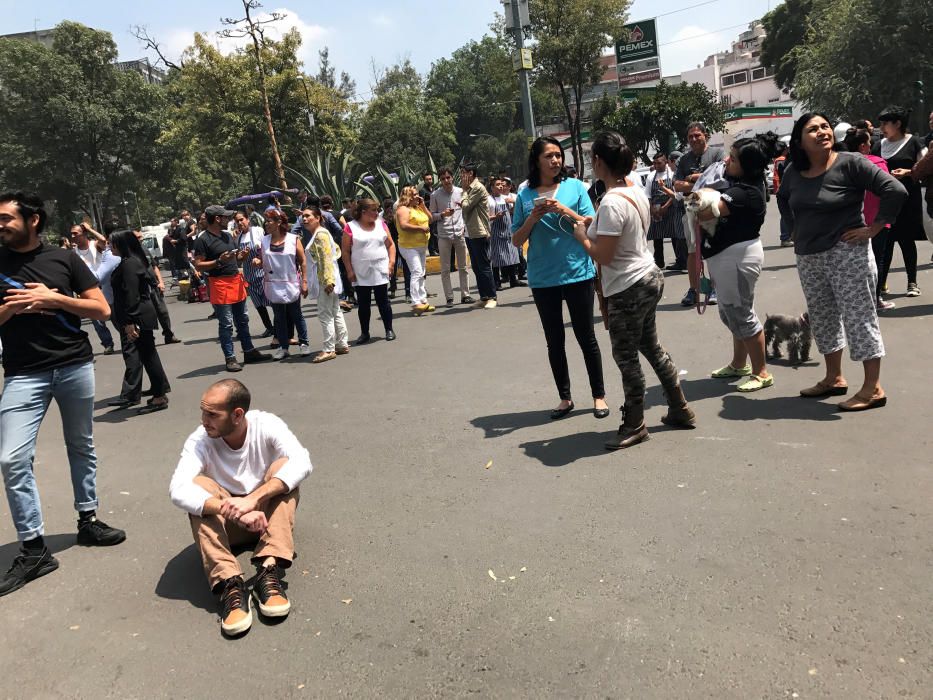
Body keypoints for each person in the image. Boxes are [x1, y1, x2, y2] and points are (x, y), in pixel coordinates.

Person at [0, 192, 126, 598]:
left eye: (5, 218)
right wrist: (15, 307)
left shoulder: (64, 259)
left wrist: (53, 299)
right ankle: (35, 549)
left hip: (74, 365)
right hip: (23, 374)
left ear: (32, 219)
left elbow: (101, 310)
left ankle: (87, 520)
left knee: (81, 446)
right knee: (12, 458)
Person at [571, 132, 694, 447]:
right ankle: (679, 407)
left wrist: (582, 238)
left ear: (598, 161)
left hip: (628, 285)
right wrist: (592, 223)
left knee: (626, 356)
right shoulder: (634, 190)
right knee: (651, 346)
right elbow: (620, 232)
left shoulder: (611, 200)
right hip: (648, 276)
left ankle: (635, 421)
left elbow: (604, 254)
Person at [777, 113, 907, 411]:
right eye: (813, 129)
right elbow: (784, 199)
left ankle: (872, 388)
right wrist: (793, 227)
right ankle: (833, 377)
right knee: (822, 317)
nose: (822, 132)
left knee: (858, 316)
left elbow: (894, 190)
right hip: (809, 255)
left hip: (846, 253)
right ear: (799, 141)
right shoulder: (794, 171)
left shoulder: (850, 162)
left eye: (824, 127)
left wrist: (874, 228)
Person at [169, 379, 311, 637]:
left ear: (237, 415)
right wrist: (228, 508)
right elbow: (177, 489)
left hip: (266, 519)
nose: (204, 419)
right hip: (229, 524)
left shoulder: (266, 424)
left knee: (285, 470)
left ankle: (269, 568)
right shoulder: (199, 440)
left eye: (212, 414)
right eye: (203, 411)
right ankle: (229, 584)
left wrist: (255, 498)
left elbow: (303, 461)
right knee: (197, 487)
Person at [511, 136, 609, 420]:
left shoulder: (575, 187)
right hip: (543, 279)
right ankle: (565, 398)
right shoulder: (525, 196)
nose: (555, 161)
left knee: (586, 336)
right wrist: (534, 217)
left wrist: (562, 210)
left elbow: (590, 223)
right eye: (549, 156)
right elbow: (517, 240)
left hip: (577, 272)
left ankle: (598, 396)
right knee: (554, 340)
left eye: (558, 155)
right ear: (536, 161)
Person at [700, 133, 779, 392]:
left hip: (738, 257)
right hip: (728, 257)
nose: (726, 161)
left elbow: (704, 210)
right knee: (731, 310)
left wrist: (699, 194)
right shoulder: (738, 184)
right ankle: (738, 363)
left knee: (740, 314)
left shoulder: (746, 192)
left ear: (748, 166)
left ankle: (761, 372)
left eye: (732, 159)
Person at [193, 205, 271, 372]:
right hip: (219, 283)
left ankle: (249, 351)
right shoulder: (202, 239)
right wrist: (218, 261)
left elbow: (234, 258)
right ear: (217, 219)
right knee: (227, 324)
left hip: (235, 280)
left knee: (242, 320)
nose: (229, 220)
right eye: (226, 217)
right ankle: (230, 357)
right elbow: (198, 265)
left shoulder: (227, 236)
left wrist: (239, 257)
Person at [107, 230, 171, 413]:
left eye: (113, 244)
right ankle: (159, 390)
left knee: (148, 355)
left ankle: (160, 397)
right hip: (140, 314)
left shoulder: (129, 264)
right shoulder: (132, 261)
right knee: (147, 354)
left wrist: (129, 321)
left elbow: (131, 295)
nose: (110, 247)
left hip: (139, 316)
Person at [872, 105, 927, 298]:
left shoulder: (915, 143)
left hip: (907, 201)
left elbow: (926, 167)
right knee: (884, 242)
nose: (883, 126)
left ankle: (912, 282)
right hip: (884, 202)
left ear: (898, 123)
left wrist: (909, 173)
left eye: (886, 122)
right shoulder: (879, 145)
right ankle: (881, 283)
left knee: (906, 241)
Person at [844, 128, 896, 311]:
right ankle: (875, 299)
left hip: (849, 223)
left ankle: (853, 299)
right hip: (877, 222)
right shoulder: (878, 163)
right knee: (876, 261)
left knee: (851, 264)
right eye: (868, 142)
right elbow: (891, 191)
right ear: (863, 146)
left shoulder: (839, 163)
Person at [674, 122, 725, 306]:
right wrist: (703, 179)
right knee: (692, 251)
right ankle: (694, 289)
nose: (694, 139)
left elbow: (720, 181)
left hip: (712, 208)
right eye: (690, 137)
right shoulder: (683, 160)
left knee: (713, 249)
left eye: (697, 135)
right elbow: (677, 185)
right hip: (690, 208)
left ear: (706, 135)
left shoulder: (718, 154)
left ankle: (715, 287)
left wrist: (693, 178)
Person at [341, 199, 396, 344]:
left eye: (377, 210)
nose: (377, 213)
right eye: (374, 210)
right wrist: (349, 270)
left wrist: (391, 262)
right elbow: (345, 251)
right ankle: (365, 332)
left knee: (383, 300)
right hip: (361, 271)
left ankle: (389, 329)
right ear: (363, 212)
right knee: (364, 304)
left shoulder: (381, 224)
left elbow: (390, 245)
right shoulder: (350, 227)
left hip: (380, 269)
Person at [259, 208, 311, 359]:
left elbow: (303, 261)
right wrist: (258, 262)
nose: (266, 224)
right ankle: (283, 347)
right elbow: (264, 261)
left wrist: (305, 281)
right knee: (279, 317)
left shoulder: (293, 239)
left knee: (296, 314)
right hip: (273, 283)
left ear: (278, 222)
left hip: (291, 282)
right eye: (266, 221)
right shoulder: (264, 241)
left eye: (269, 221)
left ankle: (304, 343)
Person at [302, 206, 350, 363]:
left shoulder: (320, 235)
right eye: (303, 216)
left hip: (326, 280)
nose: (304, 219)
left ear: (318, 218)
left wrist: (328, 281)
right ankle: (341, 343)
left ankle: (329, 348)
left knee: (325, 314)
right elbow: (335, 251)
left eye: (308, 216)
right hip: (329, 277)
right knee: (335, 311)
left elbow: (326, 258)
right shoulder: (321, 233)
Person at [429, 166, 474, 306]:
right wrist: (442, 214)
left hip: (460, 233)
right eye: (443, 179)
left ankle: (465, 294)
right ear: (440, 180)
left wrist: (465, 227)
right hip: (443, 234)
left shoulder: (461, 192)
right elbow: (431, 216)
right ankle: (449, 297)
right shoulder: (435, 195)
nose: (446, 181)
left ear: (452, 177)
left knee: (463, 267)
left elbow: (468, 211)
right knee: (445, 269)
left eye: (448, 177)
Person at [70, 223, 115, 355]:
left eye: (75, 233)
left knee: (115, 314)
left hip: (105, 284)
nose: (73, 236)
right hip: (89, 288)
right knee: (97, 320)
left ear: (83, 234)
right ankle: (108, 344)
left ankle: (127, 337)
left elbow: (103, 241)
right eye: (71, 234)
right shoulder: (73, 253)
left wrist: (89, 229)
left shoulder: (94, 245)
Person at [232, 211, 275, 339]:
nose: (240, 223)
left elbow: (265, 248)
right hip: (249, 276)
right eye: (237, 221)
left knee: (272, 302)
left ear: (247, 220)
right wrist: (241, 256)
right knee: (259, 305)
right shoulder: (238, 238)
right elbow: (238, 257)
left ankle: (279, 326)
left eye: (241, 220)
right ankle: (269, 327)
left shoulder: (257, 231)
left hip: (262, 274)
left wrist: (258, 257)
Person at [460, 163, 497, 309]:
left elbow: (466, 206)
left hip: (479, 231)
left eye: (464, 173)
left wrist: (463, 192)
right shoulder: (470, 188)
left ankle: (492, 297)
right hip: (470, 231)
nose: (462, 176)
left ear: (471, 173)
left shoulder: (477, 187)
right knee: (476, 266)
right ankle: (484, 297)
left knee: (484, 266)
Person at [395, 186, 435, 315]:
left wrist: (423, 205)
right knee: (416, 271)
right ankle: (415, 301)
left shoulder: (417, 207)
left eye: (417, 194)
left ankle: (423, 300)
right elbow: (403, 225)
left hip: (421, 245)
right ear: (408, 196)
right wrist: (420, 229)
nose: (417, 196)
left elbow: (430, 219)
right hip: (408, 246)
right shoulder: (403, 209)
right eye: (414, 194)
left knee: (421, 272)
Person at [643, 153, 686, 270]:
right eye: (654, 163)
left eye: (659, 163)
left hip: (671, 208)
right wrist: (652, 210)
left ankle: (680, 260)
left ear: (666, 162)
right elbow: (648, 195)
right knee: (657, 238)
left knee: (675, 236)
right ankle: (659, 262)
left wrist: (665, 207)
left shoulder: (672, 174)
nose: (656, 165)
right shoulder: (651, 176)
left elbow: (675, 194)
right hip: (656, 209)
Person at [488, 176, 523, 289]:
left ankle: (513, 280)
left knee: (511, 255)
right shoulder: (489, 200)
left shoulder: (506, 198)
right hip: (496, 232)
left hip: (508, 231)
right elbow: (485, 217)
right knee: (496, 258)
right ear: (492, 187)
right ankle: (497, 282)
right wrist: (495, 217)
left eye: (501, 184)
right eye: (498, 184)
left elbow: (513, 210)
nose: (501, 186)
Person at [420, 171, 440, 256]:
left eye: (430, 179)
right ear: (424, 180)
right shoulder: (423, 191)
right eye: (427, 179)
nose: (429, 181)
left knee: (436, 232)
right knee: (431, 232)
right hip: (428, 214)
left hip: (435, 213)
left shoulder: (434, 189)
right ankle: (432, 250)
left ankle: (437, 249)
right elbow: (421, 203)